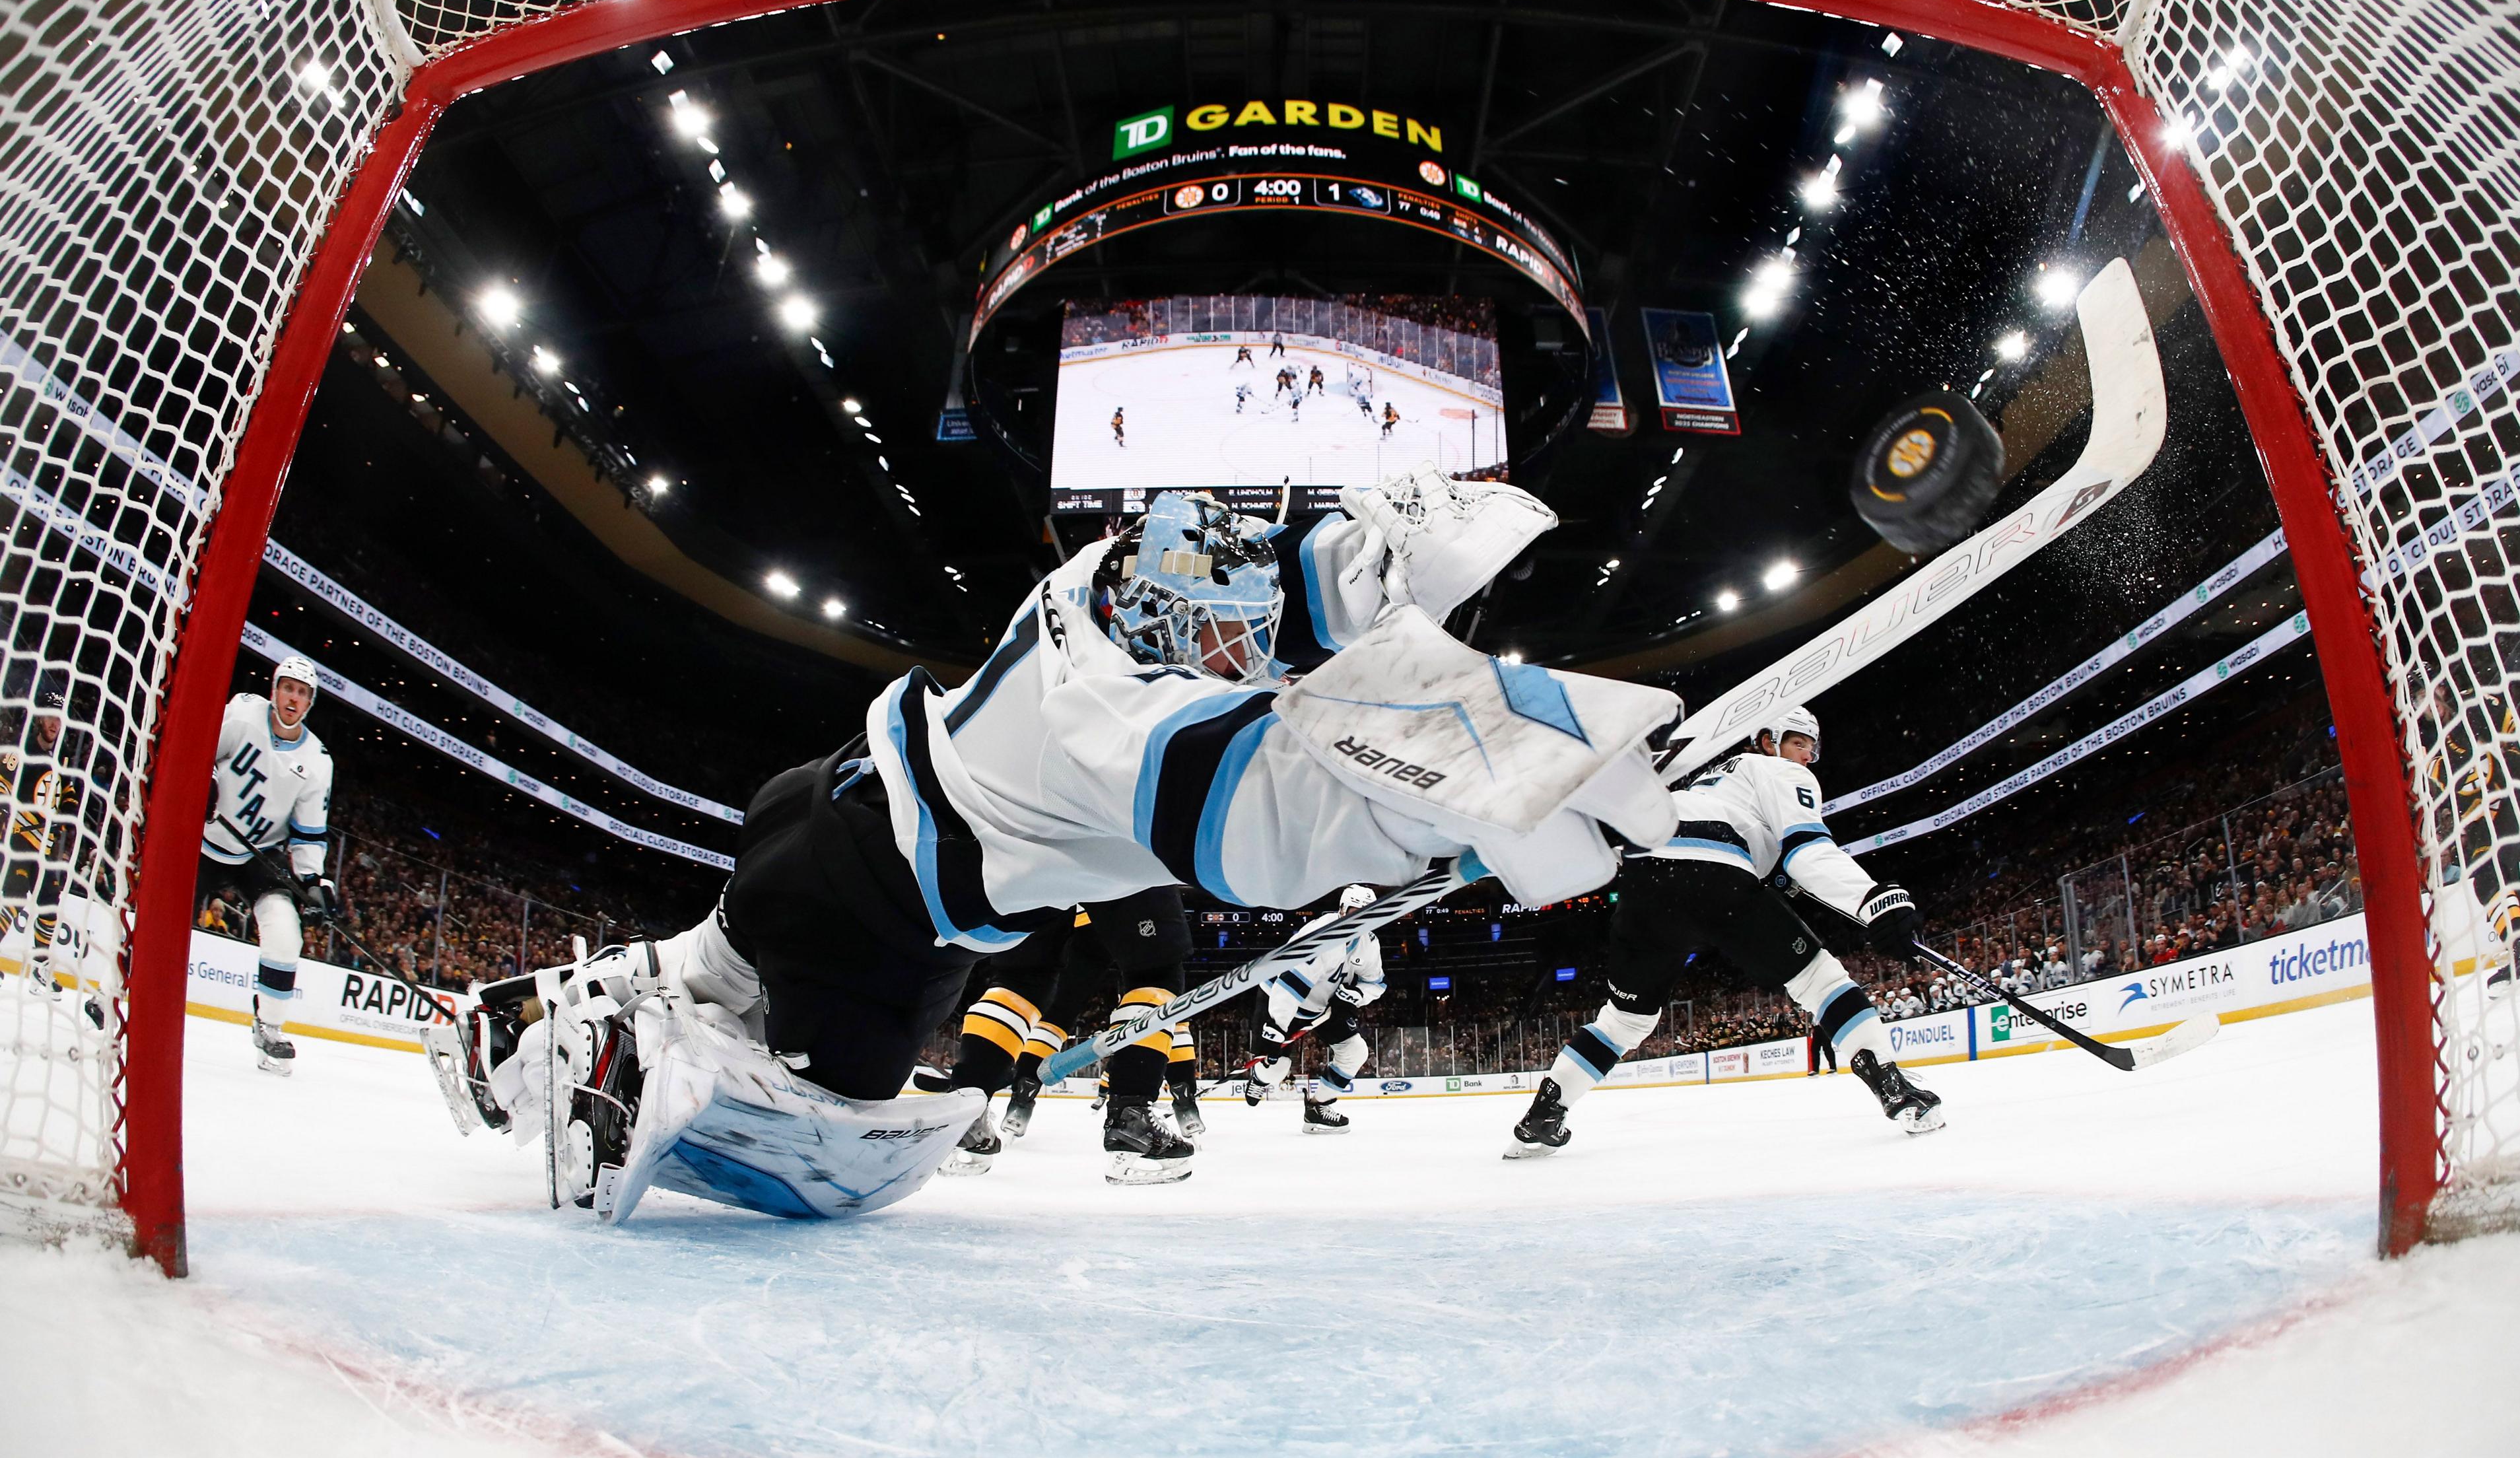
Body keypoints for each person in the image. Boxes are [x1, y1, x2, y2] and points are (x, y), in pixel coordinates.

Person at [445, 473, 1656, 1208]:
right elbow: (1272, 833)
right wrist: (1482, 799)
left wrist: (1399, 568)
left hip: (818, 807)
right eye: (1219, 642)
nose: (1242, 657)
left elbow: (1275, 582)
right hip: (875, 914)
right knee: (836, 1165)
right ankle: (617, 1059)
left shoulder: (1095, 580)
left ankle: (556, 1010)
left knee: (726, 960)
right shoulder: (1118, 724)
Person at [1507, 707, 1941, 1159]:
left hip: (1644, 876)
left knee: (1626, 1020)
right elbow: (1807, 852)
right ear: (1767, 741)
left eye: (1812, 747)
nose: (1807, 756)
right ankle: (1895, 1089)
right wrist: (1875, 902)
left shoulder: (1708, 781)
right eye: (1798, 743)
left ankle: (1543, 1116)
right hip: (1715, 869)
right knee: (1819, 980)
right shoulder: (1776, 769)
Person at [920, 884, 1198, 1183]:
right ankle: (1132, 1117)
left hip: (1030, 854)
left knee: (1021, 979)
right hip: (1113, 854)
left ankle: (965, 1112)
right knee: (1155, 973)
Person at [198, 656, 339, 1074]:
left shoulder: (317, 760)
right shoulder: (242, 712)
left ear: (310, 702)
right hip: (202, 839)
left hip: (257, 853)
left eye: (303, 692)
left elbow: (309, 832)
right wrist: (203, 779)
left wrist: (315, 882)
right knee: (162, 922)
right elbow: (203, 743)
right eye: (288, 688)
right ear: (274, 689)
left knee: (285, 931)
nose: (294, 698)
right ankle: (119, 995)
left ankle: (270, 1029)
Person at [1242, 882, 1386, 1134]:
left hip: (1323, 1005)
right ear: (1342, 910)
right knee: (1277, 1069)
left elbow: (1376, 984)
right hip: (1279, 998)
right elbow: (1290, 985)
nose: (1361, 920)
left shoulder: (1369, 943)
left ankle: (1318, 1108)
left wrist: (1357, 994)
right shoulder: (1321, 937)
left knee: (1355, 1052)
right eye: (1356, 912)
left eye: (1368, 913)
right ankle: (1260, 1078)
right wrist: (1277, 1028)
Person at [4, 683, 83, 1012]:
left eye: (60, 719)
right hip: (21, 837)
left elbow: (66, 794)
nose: (55, 724)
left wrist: (70, 809)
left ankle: (39, 969)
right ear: (40, 719)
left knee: (50, 902)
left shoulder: (61, 757)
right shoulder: (21, 750)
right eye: (51, 716)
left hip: (48, 844)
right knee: (15, 897)